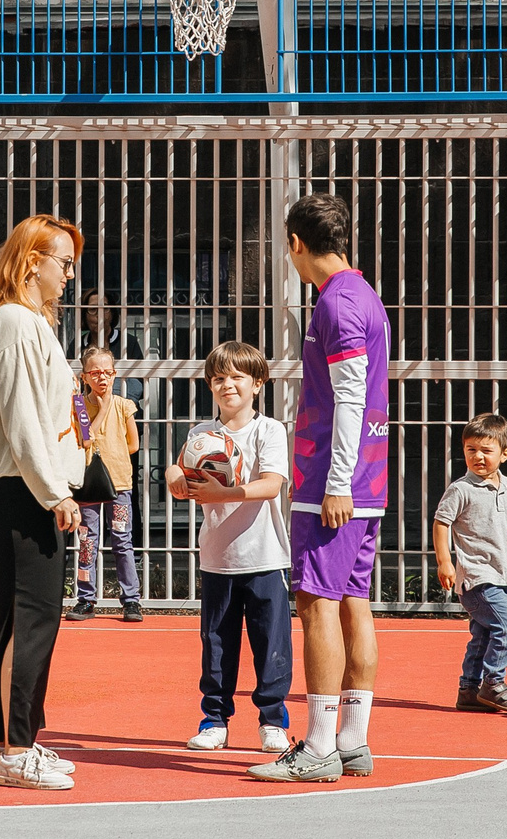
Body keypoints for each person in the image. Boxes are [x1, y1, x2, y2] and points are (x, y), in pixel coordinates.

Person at [251, 193, 390, 783]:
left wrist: (336, 484)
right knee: (353, 601)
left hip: (336, 482)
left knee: (316, 604)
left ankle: (318, 746)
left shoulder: (337, 303)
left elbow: (350, 398)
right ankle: (352, 741)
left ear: (296, 244)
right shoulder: (364, 295)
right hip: (367, 477)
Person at [0, 213, 88, 791]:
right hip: (25, 490)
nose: (70, 275)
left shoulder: (30, 323)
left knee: (25, 620)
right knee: (30, 620)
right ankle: (16, 750)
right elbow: (23, 421)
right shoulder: (14, 322)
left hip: (30, 487)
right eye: (64, 263)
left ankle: (14, 739)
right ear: (33, 262)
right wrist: (55, 492)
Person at [167, 341, 294, 753]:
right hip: (218, 559)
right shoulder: (201, 435)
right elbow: (180, 468)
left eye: (238, 377)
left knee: (271, 645)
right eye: (219, 378)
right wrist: (174, 476)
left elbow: (272, 484)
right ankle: (214, 721)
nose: (228, 385)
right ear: (210, 385)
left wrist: (225, 493)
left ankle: (272, 721)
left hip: (265, 556)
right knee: (217, 646)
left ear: (257, 384)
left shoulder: (269, 430)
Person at [434, 413, 507, 713]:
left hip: (500, 575)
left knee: (483, 634)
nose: (478, 456)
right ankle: (493, 683)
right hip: (476, 577)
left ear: (504, 454)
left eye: (486, 450)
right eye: (471, 449)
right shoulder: (461, 489)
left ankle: (469, 690)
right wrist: (445, 562)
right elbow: (441, 522)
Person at [68, 346, 144, 624]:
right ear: (84, 377)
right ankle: (86, 599)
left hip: (120, 483)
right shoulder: (78, 405)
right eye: (95, 373)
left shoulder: (124, 406)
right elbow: (85, 439)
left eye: (107, 372)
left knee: (123, 541)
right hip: (88, 485)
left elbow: (133, 444)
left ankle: (131, 599)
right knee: (87, 541)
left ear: (115, 374)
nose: (102, 378)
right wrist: (101, 409)